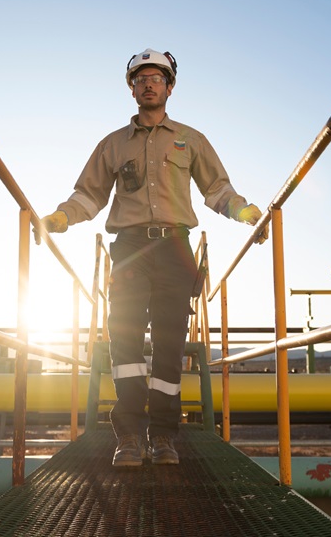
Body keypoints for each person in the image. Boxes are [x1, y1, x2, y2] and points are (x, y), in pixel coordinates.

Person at [34, 48, 266, 467]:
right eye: (140, 79)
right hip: (130, 248)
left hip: (175, 247)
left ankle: (162, 436)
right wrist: (60, 219)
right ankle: (128, 435)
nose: (148, 84)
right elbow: (88, 194)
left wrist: (246, 213)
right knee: (124, 337)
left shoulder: (191, 140)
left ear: (170, 87)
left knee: (169, 343)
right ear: (131, 89)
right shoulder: (113, 144)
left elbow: (218, 190)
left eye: (157, 78)